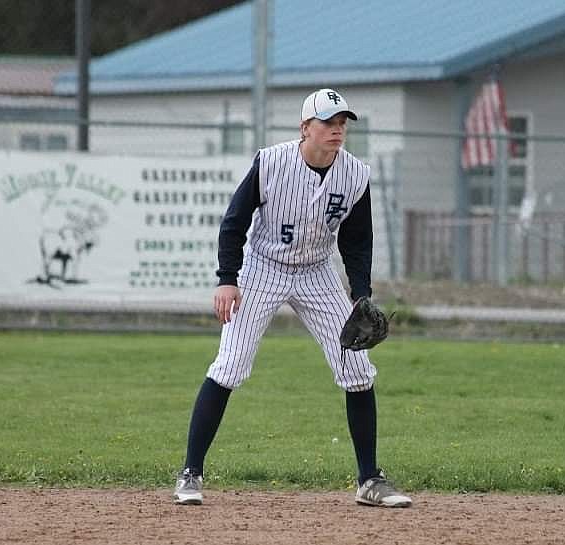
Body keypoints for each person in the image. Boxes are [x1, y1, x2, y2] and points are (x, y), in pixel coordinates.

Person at [173, 88, 412, 508]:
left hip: (317, 273)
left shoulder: (356, 174)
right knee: (230, 366)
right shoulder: (271, 163)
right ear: (305, 128)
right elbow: (234, 223)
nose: (337, 130)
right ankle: (191, 472)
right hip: (264, 268)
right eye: (328, 122)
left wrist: (360, 295)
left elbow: (358, 242)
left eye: (342, 123)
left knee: (358, 368)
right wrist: (227, 279)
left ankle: (369, 480)